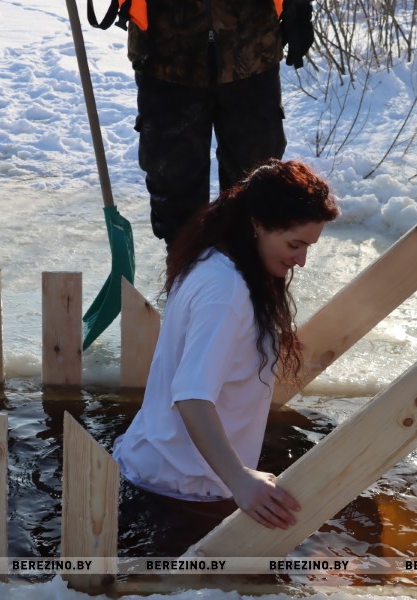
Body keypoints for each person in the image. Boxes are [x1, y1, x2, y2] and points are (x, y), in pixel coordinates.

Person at [113, 159, 338, 553]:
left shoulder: (215, 261)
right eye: (295, 244)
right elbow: (191, 396)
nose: (301, 260)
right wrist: (240, 480)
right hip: (180, 490)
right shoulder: (225, 292)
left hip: (164, 470)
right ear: (257, 224)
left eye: (308, 247)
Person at [125, 0, 315, 247]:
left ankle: (249, 264)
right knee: (175, 190)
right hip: (165, 53)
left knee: (256, 184)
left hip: (252, 47)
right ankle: (185, 264)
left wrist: (299, 6)